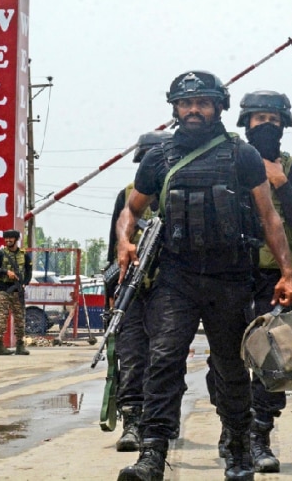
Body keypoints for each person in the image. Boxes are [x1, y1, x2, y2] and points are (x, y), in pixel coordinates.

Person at [115, 71, 292, 481]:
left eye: (202, 103)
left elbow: (269, 216)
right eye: (186, 103)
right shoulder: (158, 157)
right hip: (175, 277)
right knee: (163, 361)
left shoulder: (241, 155)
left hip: (229, 277)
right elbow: (132, 209)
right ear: (175, 108)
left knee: (231, 368)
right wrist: (124, 241)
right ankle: (152, 453)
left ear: (219, 107)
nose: (194, 110)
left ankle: (238, 450)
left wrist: (287, 271)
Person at [205, 90, 292, 473]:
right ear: (246, 123)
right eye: (259, 119)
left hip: (275, 279)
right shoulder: (227, 161)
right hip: (229, 275)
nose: (266, 125)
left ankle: (260, 435)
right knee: (224, 361)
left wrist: (281, 184)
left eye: (273, 119)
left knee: (276, 359)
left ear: (283, 124)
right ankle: (232, 429)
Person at [105, 129, 171, 452]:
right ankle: (131, 422)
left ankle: (158, 423)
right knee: (131, 356)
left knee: (164, 359)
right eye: (146, 161)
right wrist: (113, 295)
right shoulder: (128, 196)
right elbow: (114, 247)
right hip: (130, 289)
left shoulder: (178, 192)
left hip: (167, 290)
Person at [0, 229, 32, 356]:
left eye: (10, 238)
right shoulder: (0, 254)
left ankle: (20, 345)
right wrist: (6, 272)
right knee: (1, 318)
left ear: (16, 239)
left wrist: (24, 283)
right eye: (6, 238)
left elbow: (29, 272)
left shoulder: (24, 255)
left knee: (20, 318)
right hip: (4, 290)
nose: (8, 240)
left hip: (18, 290)